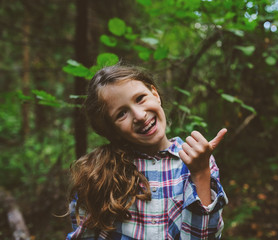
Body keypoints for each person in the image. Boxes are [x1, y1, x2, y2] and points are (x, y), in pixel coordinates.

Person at [66, 64, 228, 239]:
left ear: (155, 94)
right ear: (112, 130)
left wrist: (201, 173)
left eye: (140, 98)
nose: (140, 116)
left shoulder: (198, 161)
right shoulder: (96, 174)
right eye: (121, 114)